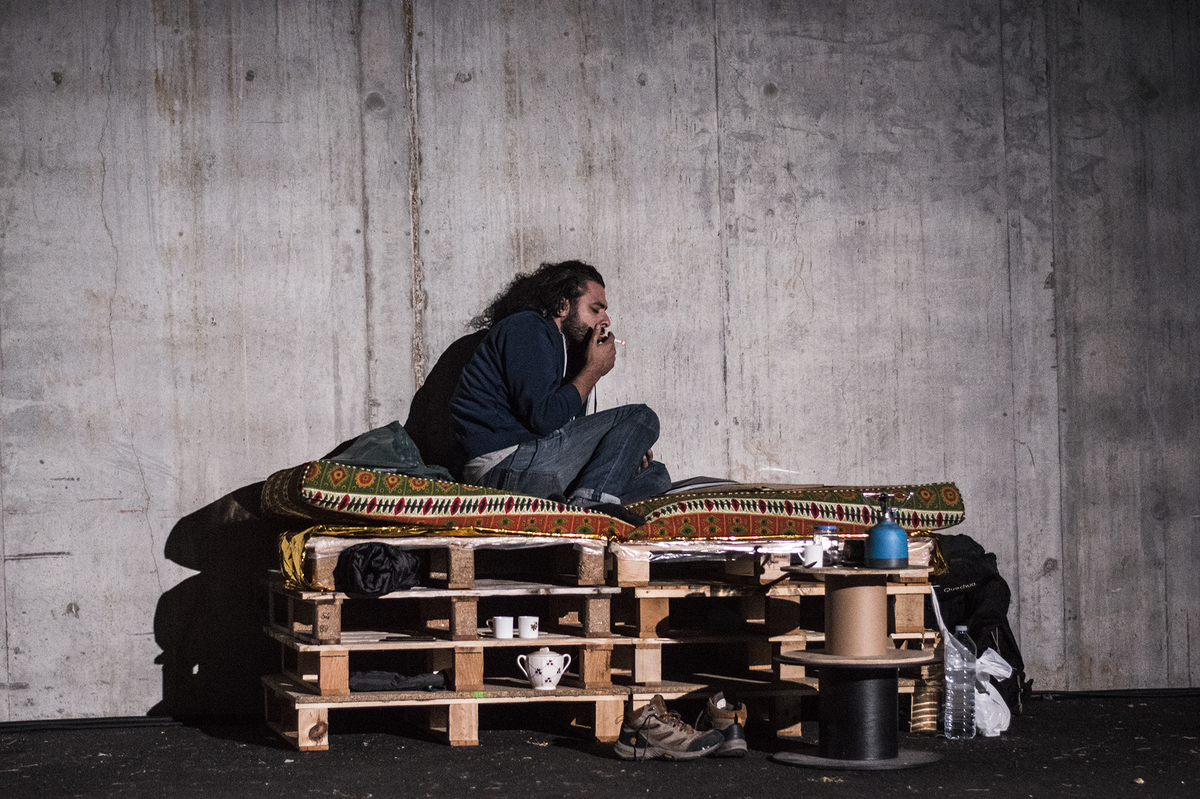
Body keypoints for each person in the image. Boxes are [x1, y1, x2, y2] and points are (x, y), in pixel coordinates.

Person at [449, 260, 670, 519]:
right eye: (595, 309)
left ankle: (572, 502)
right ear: (563, 305)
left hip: (534, 466)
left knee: (656, 476)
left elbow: (564, 430)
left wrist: (623, 446)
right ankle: (589, 507)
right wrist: (593, 370)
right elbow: (544, 419)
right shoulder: (528, 328)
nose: (606, 320)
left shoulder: (563, 350)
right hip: (502, 467)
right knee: (641, 417)